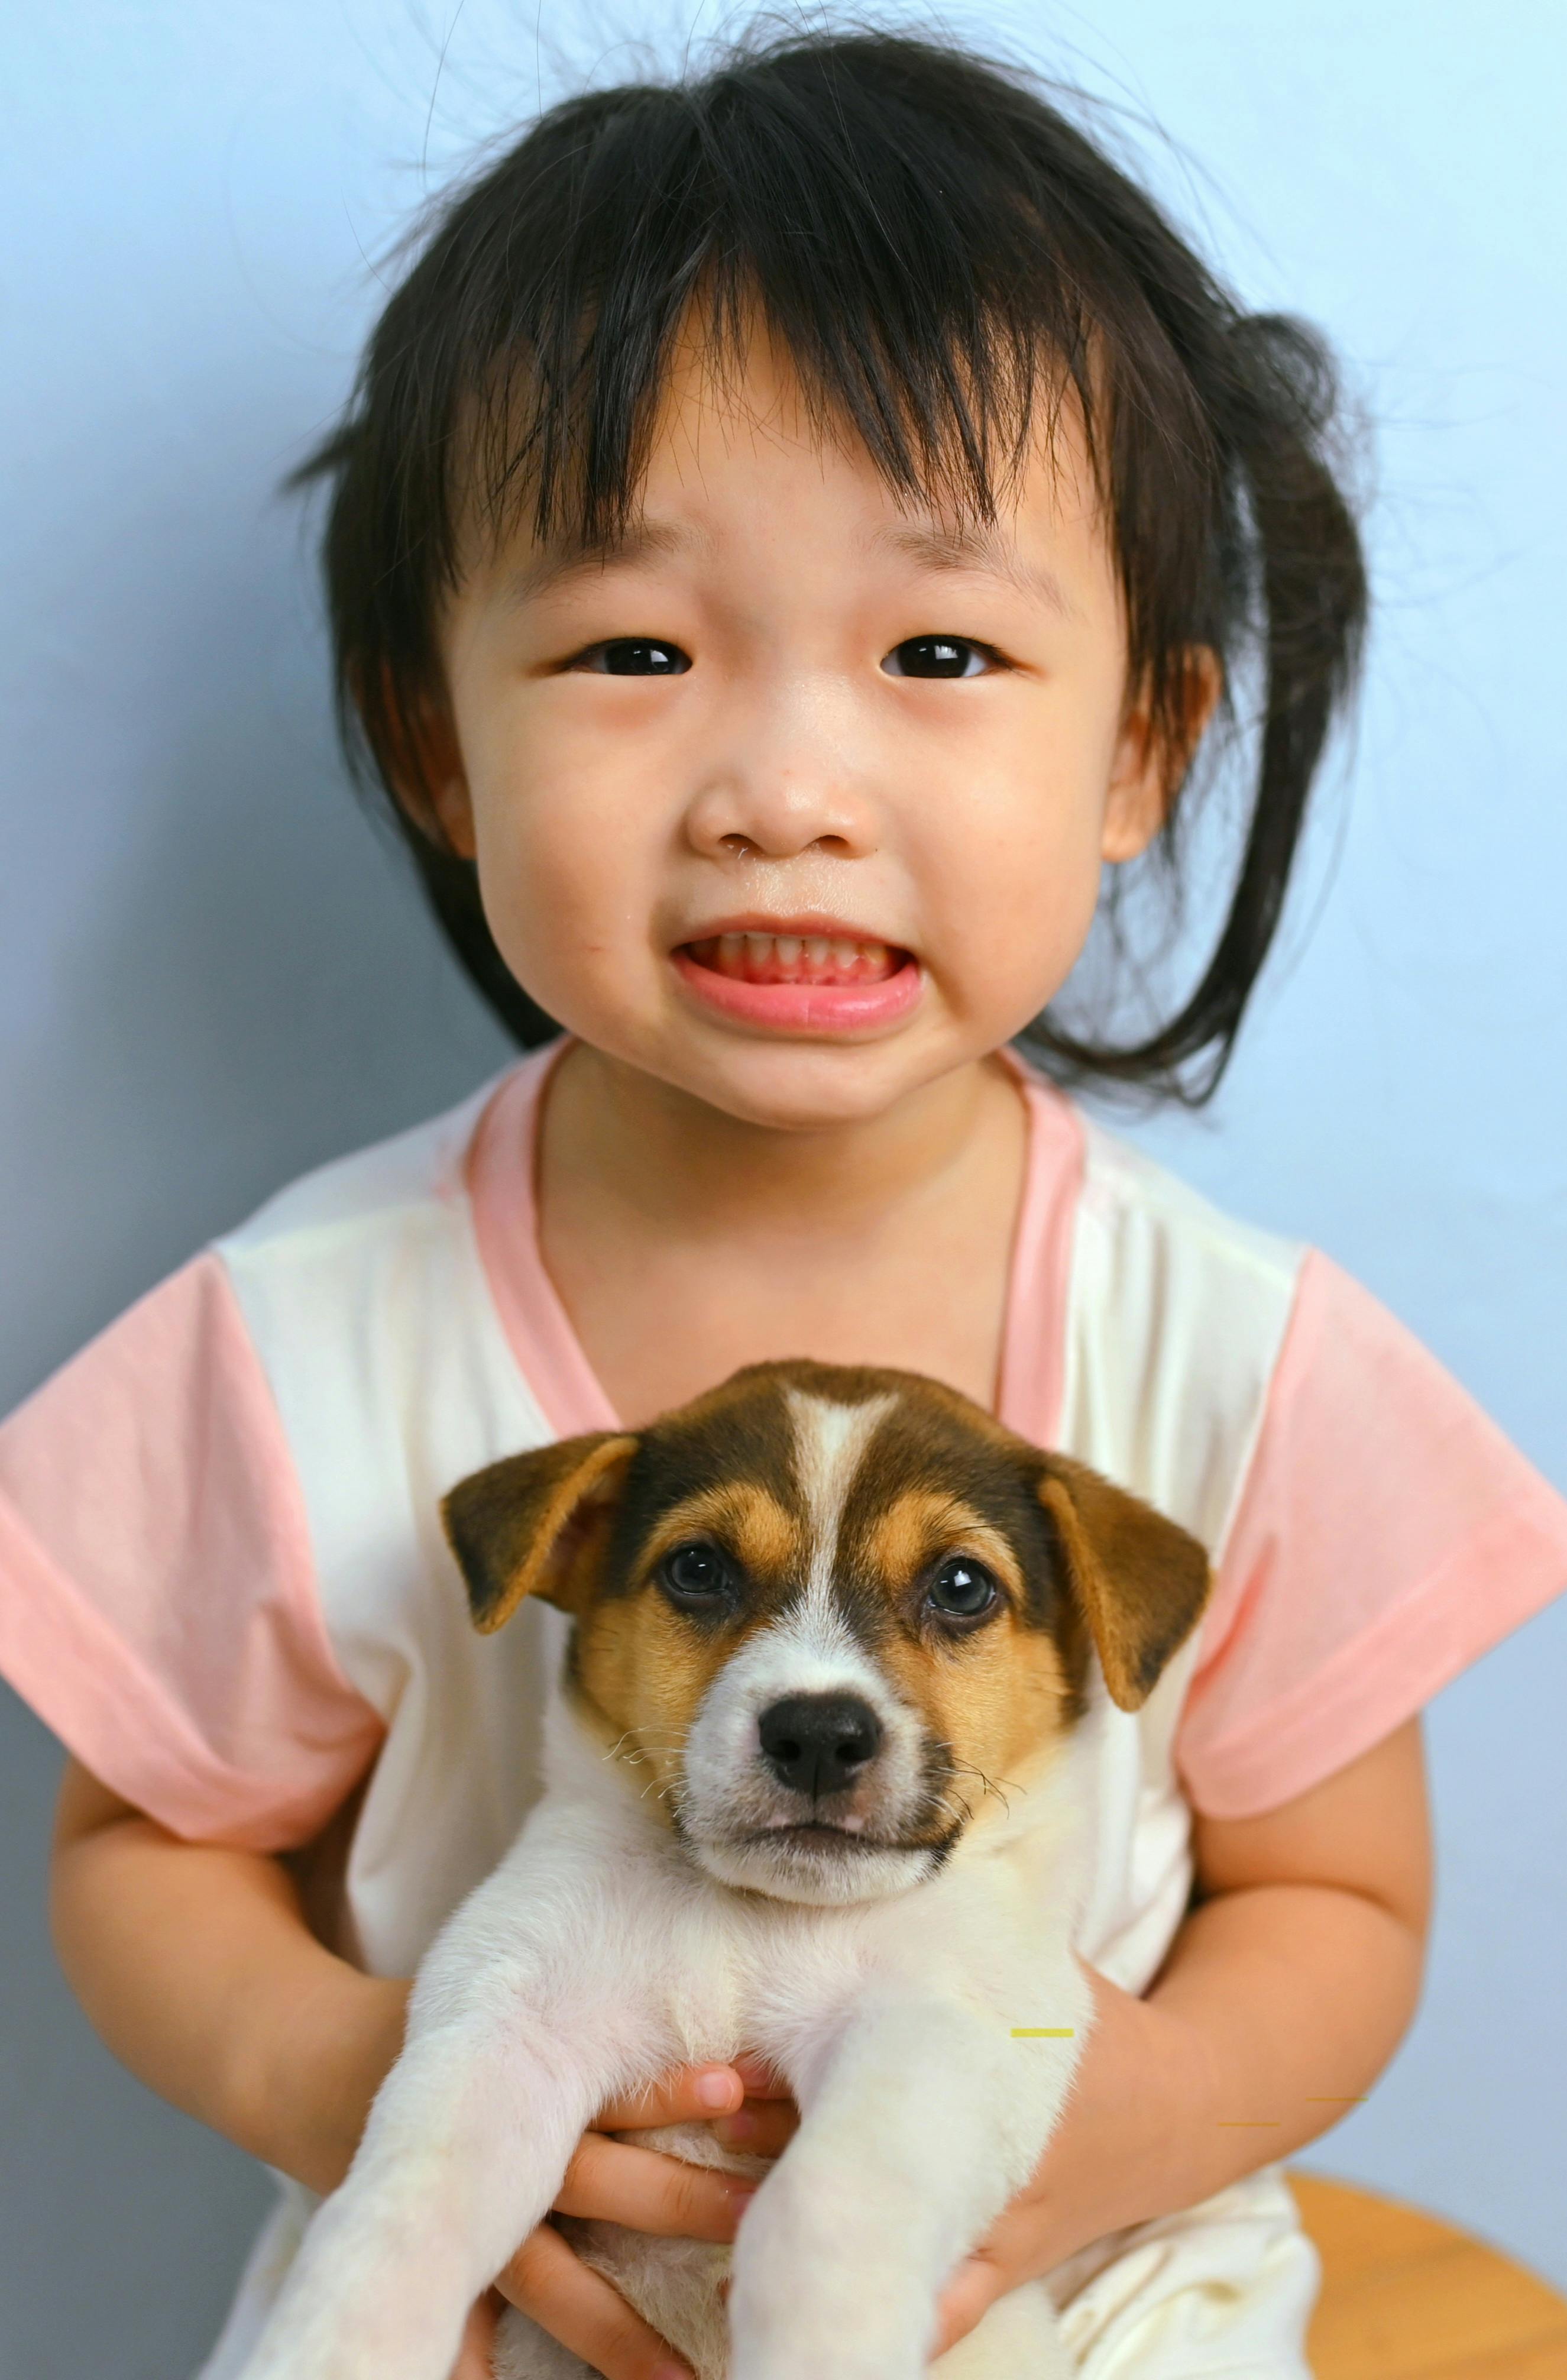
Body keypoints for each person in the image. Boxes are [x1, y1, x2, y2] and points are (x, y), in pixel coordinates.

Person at [4, 27, 1564, 2380]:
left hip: (1079, 2322)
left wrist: (1115, 2113)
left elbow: (1338, 1899)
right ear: (439, 739)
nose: (785, 784)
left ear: (1142, 742)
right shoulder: (301, 1333)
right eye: (638, 648)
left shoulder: (1238, 1351)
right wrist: (344, 2081)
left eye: (937, 651)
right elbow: (145, 1852)